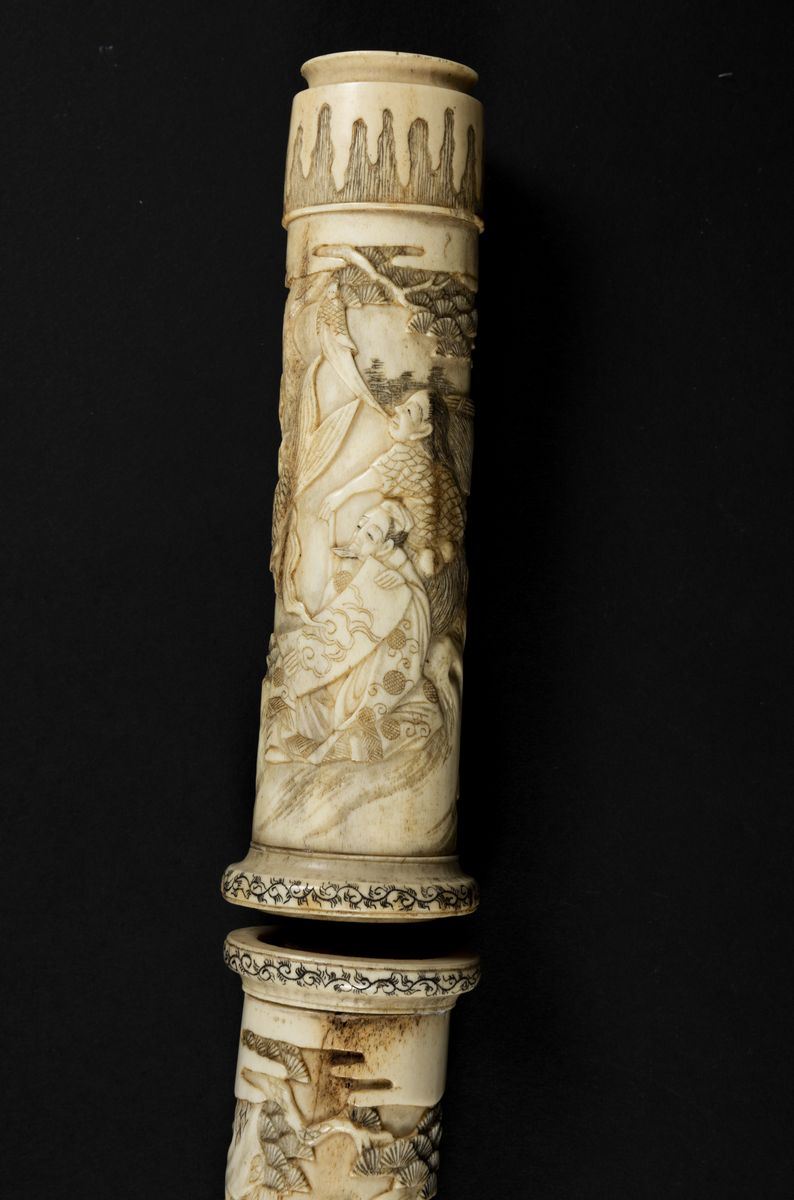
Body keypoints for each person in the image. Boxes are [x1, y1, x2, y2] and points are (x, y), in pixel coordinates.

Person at [260, 499, 441, 764]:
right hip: (328, 669)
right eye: (359, 526)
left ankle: (334, 746)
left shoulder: (393, 581)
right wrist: (304, 648)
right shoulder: (344, 572)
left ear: (386, 547)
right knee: (287, 676)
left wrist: (402, 580)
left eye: (370, 535)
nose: (358, 536)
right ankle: (296, 740)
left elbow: (414, 621)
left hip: (365, 682)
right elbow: (326, 626)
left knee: (416, 713)